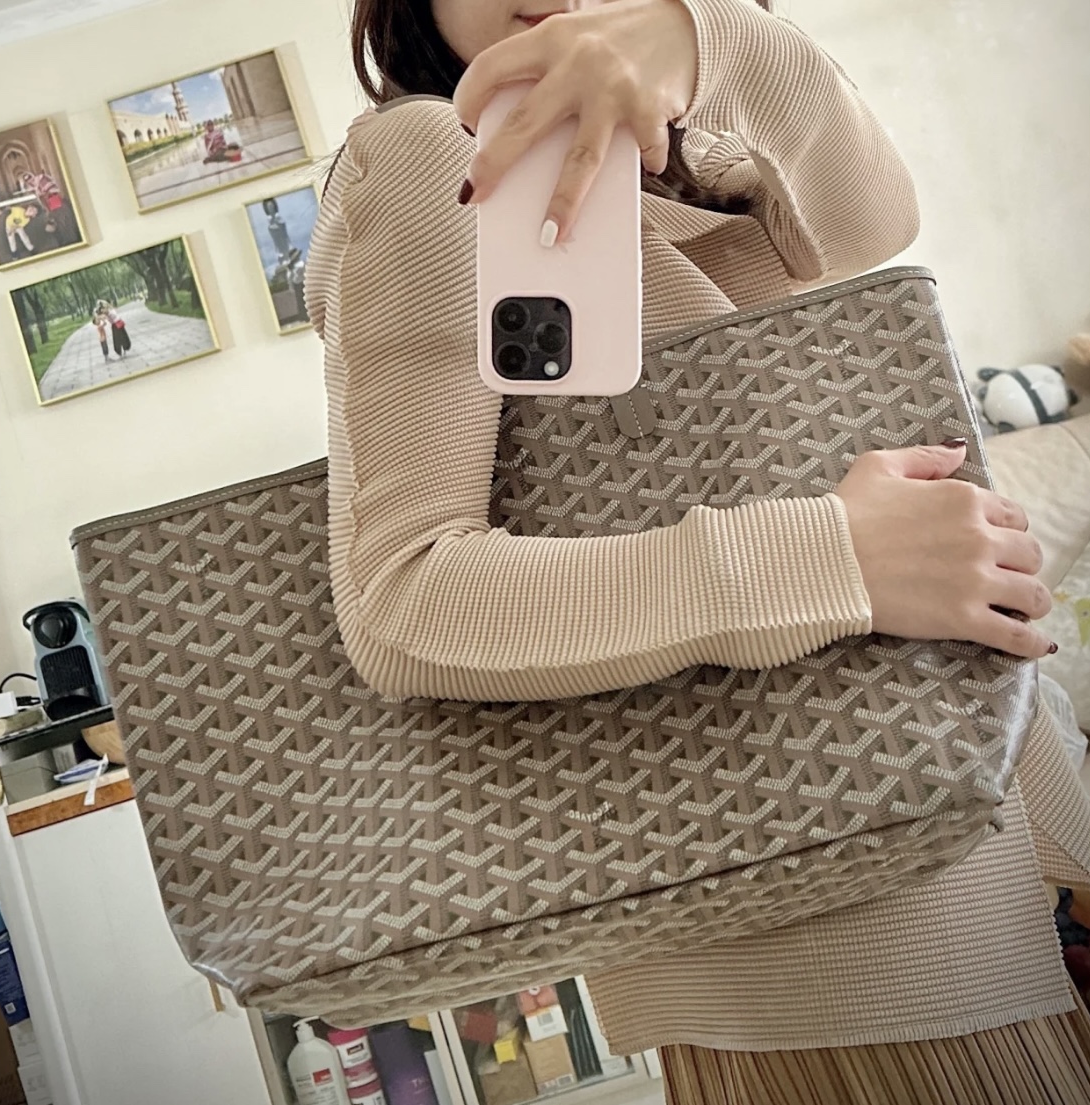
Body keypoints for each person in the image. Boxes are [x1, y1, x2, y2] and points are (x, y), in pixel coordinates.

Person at [305, 1, 1090, 1100]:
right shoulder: (429, 157)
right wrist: (831, 558)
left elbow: (878, 217)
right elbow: (405, 596)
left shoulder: (703, 148)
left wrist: (694, 40)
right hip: (821, 901)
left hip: (962, 794)